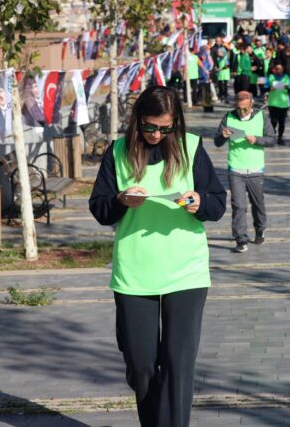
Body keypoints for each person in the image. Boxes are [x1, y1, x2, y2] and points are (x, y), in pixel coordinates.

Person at [88, 87, 227, 427]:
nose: (156, 134)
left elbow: (217, 202)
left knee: (179, 365)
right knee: (141, 366)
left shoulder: (191, 147)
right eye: (150, 127)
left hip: (186, 271)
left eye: (166, 128)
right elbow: (100, 208)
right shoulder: (118, 152)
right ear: (138, 120)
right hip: (135, 272)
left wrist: (200, 203)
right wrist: (121, 200)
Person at [213, 90, 275, 253]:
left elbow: (271, 139)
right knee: (238, 205)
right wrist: (223, 136)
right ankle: (241, 239)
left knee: (258, 203)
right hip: (236, 169)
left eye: (245, 109)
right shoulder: (228, 117)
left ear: (251, 104)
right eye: (239, 108)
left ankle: (260, 229)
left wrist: (257, 140)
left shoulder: (261, 116)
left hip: (256, 169)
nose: (242, 112)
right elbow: (217, 142)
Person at [265, 61, 290, 145]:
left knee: (282, 122)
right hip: (272, 103)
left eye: (280, 69)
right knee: (273, 122)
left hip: (283, 104)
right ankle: (272, 136)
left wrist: (287, 87)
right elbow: (264, 88)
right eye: (277, 69)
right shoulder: (270, 77)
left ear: (283, 69)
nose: (278, 70)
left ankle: (280, 137)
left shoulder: (286, 77)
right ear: (274, 69)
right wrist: (269, 89)